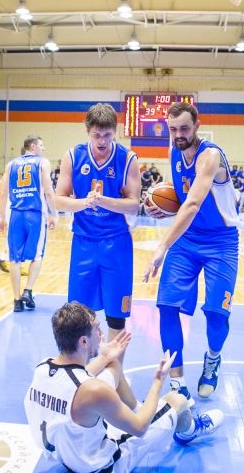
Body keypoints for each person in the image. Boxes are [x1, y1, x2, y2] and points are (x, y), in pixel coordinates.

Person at [24, 302, 223, 473]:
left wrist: (104, 358)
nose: (101, 334)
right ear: (83, 341)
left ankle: (138, 408)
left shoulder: (43, 367)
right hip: (104, 465)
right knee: (176, 400)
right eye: (97, 329)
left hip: (67, 453)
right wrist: (158, 380)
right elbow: (140, 428)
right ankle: (190, 430)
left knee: (113, 366)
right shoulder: (94, 391)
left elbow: (76, 379)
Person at [143, 102, 241, 403]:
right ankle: (177, 382)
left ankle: (213, 358)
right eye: (173, 129)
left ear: (197, 126)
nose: (178, 135)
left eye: (184, 128)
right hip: (187, 240)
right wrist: (161, 206)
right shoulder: (174, 152)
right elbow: (181, 195)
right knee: (167, 305)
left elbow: (194, 203)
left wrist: (162, 246)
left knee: (216, 314)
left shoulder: (210, 155)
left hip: (221, 242)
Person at [55, 103, 141, 346]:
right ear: (88, 131)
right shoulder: (73, 156)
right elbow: (58, 199)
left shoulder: (127, 158)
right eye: (97, 135)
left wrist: (103, 201)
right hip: (83, 243)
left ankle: (114, 368)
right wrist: (84, 202)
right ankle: (82, 366)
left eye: (108, 135)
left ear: (116, 131)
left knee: (116, 318)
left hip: (117, 244)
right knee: (79, 318)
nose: (102, 140)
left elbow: (133, 204)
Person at [0, 135, 58, 312]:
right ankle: (28, 290)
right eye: (41, 145)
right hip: (35, 215)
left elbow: (3, 193)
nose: (43, 148)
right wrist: (54, 213)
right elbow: (49, 191)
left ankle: (17, 301)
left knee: (14, 259)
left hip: (16, 215)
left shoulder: (11, 164)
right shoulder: (42, 162)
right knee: (37, 256)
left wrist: (2, 217)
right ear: (32, 146)